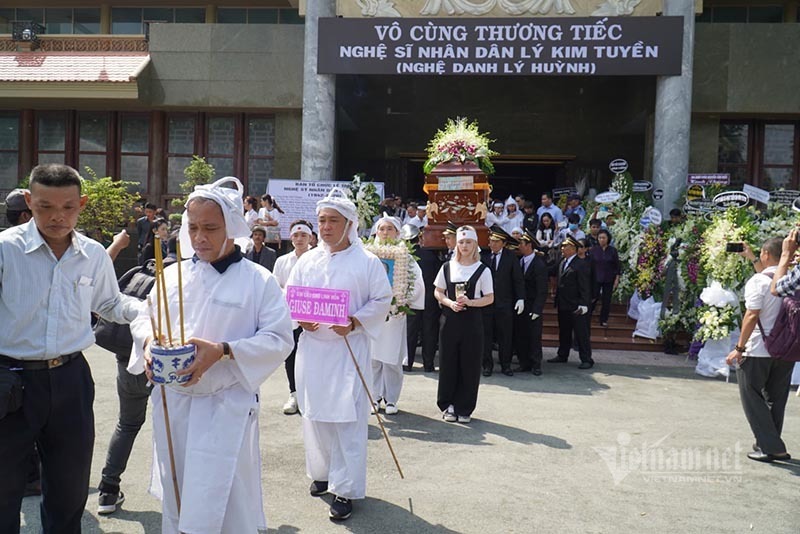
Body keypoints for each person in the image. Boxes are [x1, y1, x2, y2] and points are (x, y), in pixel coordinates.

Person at [129, 176, 294, 534]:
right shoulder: (170, 275)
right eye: (192, 227)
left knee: (227, 498)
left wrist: (223, 351)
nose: (199, 237)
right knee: (179, 492)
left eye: (210, 228)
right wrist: (145, 343)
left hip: (226, 406)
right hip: (174, 404)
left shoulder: (258, 281)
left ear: (233, 227)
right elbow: (146, 316)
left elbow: (280, 338)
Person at [0, 164, 142, 534]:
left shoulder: (92, 254)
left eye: (67, 207)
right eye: (45, 206)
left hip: (71, 380)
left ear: (82, 203)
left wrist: (145, 309)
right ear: (29, 201)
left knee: (69, 489)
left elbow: (110, 303)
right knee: (3, 490)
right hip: (9, 380)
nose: (57, 217)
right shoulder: (5, 250)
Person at [286, 187, 392, 521]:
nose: (326, 227)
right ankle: (321, 472)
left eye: (333, 220)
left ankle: (345, 489)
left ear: (349, 224)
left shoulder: (367, 262)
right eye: (322, 220)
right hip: (313, 349)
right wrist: (297, 316)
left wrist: (356, 321)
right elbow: (290, 296)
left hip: (349, 351)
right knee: (315, 415)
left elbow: (381, 300)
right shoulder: (308, 260)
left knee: (347, 418)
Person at [726, 237, 792, 463]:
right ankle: (768, 444)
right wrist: (753, 258)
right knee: (776, 399)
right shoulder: (793, 278)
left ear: (766, 254)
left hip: (757, 349)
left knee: (751, 397)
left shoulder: (757, 282)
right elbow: (774, 278)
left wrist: (739, 348)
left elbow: (752, 315)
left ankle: (773, 447)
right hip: (786, 349)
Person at [434, 226, 494, 423]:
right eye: (461, 242)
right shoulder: (447, 267)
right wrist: (450, 303)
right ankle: (448, 404)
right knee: (448, 362)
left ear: (475, 244)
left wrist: (471, 303)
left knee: (469, 364)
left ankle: (465, 407)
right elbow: (438, 291)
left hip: (472, 322)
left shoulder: (483, 270)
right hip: (449, 321)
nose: (465, 246)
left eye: (468, 242)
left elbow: (489, 298)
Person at [370, 214, 424, 415]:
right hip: (372, 315)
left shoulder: (406, 256)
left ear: (397, 232)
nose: (385, 233)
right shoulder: (368, 254)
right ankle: (374, 396)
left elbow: (416, 283)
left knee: (391, 359)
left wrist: (403, 301)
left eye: (389, 229)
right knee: (372, 358)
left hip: (394, 315)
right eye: (382, 229)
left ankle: (391, 399)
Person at [272, 220, 314, 415]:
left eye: (303, 235)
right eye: (296, 235)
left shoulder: (318, 258)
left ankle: (311, 395)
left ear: (310, 238)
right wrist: (291, 297)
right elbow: (276, 285)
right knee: (291, 354)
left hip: (314, 317)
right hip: (290, 316)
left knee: (313, 356)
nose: (299, 239)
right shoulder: (283, 261)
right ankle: (294, 393)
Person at [481, 225, 525, 377]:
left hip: (504, 303)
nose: (492, 244)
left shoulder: (511, 257)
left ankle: (506, 365)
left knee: (505, 336)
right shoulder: (484, 256)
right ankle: (487, 365)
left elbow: (518, 280)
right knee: (486, 336)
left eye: (496, 241)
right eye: (491, 241)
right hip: (486, 304)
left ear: (504, 243)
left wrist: (520, 298)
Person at [549, 236, 593, 369]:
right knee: (564, 331)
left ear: (573, 248)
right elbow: (551, 272)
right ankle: (563, 354)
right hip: (563, 303)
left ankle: (586, 358)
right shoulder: (563, 261)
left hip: (576, 305)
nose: (562, 248)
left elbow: (585, 286)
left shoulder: (581, 264)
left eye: (565, 246)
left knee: (581, 332)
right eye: (562, 246)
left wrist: (584, 304)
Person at [514, 230, 548, 375]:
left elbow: (542, 290)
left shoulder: (538, 264)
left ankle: (535, 364)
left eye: (521, 243)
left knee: (534, 336)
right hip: (521, 305)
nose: (519, 246)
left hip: (533, 305)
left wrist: (537, 309)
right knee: (521, 335)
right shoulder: (519, 262)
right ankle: (524, 362)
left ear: (529, 245)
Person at [590, 229, 620, 327]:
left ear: (608, 239)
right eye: (600, 238)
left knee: (606, 300)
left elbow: (617, 266)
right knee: (593, 297)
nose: (601, 240)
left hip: (609, 278)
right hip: (596, 278)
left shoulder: (612, 250)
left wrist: (617, 278)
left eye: (604, 238)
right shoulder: (593, 250)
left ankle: (603, 319)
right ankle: (588, 316)